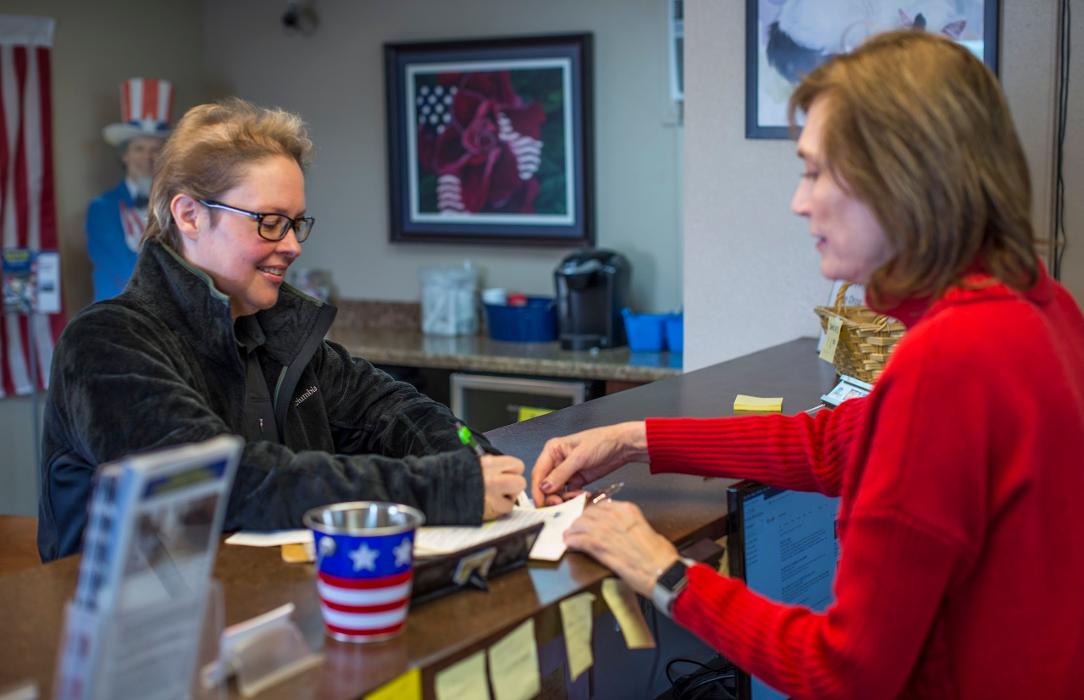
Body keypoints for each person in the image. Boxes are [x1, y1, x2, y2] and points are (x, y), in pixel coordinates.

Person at [531, 31, 1084, 699]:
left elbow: (840, 672)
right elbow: (836, 447)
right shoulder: (1039, 303)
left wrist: (663, 572)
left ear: (903, 179)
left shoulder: (948, 362)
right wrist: (634, 438)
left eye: (816, 172)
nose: (800, 201)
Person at [39, 98, 526, 562]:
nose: (292, 246)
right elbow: (222, 484)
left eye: (295, 224)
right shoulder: (106, 343)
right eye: (270, 222)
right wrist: (445, 489)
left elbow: (392, 409)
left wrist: (478, 463)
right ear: (189, 215)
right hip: (144, 617)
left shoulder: (274, 333)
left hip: (269, 598)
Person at [87, 78, 173, 302]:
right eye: (139, 148)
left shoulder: (180, 204)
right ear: (125, 155)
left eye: (155, 149)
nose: (148, 157)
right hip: (117, 308)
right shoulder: (102, 208)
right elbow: (115, 265)